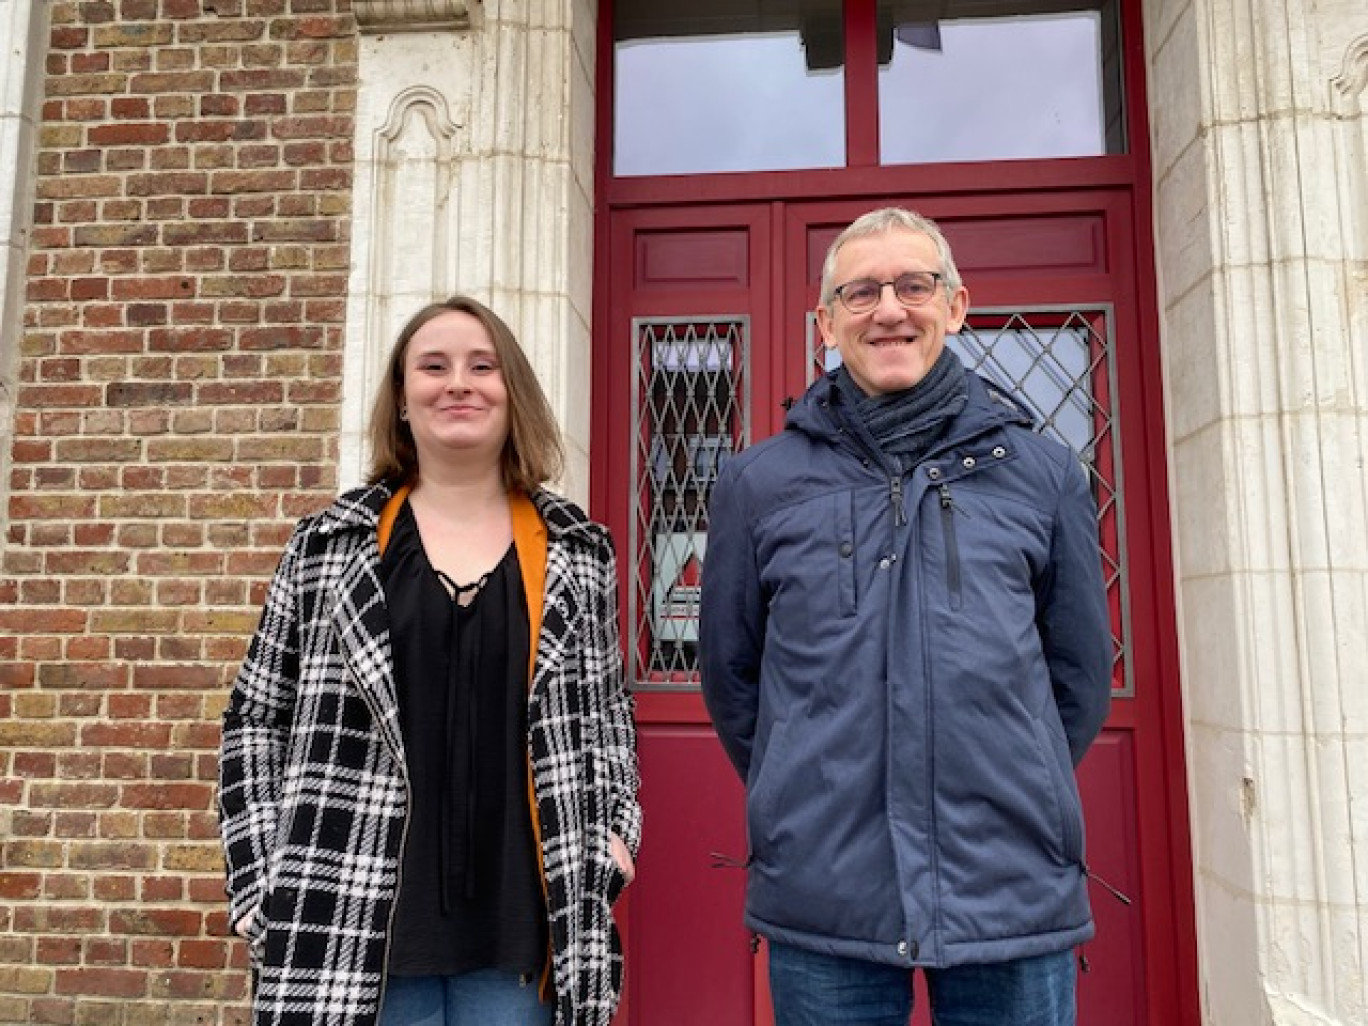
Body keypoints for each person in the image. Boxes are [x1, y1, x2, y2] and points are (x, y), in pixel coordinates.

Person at [698, 208, 1112, 1026]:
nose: (889, 309)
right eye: (861, 292)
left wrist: (1001, 769)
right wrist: (806, 785)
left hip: (1010, 885)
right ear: (826, 323)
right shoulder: (758, 484)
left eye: (913, 285)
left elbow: (1077, 677)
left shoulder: (1043, 473)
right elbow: (733, 678)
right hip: (824, 891)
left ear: (955, 307)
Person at [218, 296, 641, 1026]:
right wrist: (261, 879)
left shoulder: (578, 551)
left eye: (483, 366)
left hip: (523, 935)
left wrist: (616, 834)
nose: (459, 384)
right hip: (343, 922)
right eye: (433, 367)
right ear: (403, 399)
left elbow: (607, 713)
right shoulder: (328, 545)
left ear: (514, 395)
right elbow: (256, 715)